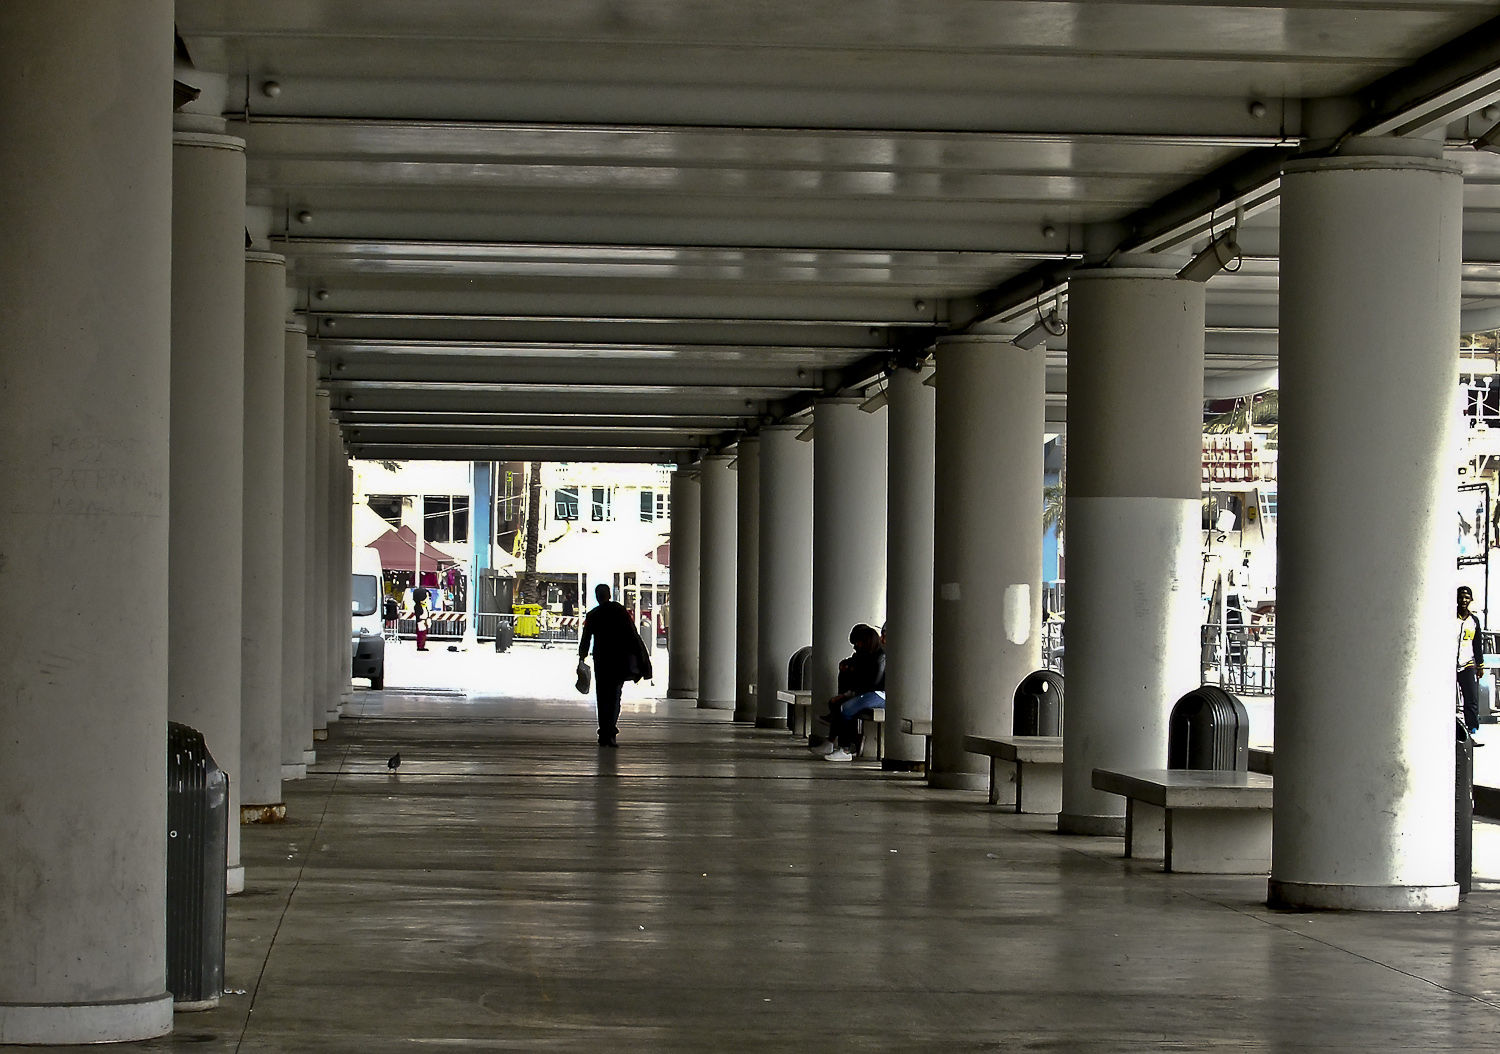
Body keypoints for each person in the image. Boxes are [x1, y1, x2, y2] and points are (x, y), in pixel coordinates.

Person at [578, 583, 653, 747]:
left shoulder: (594, 615)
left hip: (601, 660)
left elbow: (586, 639)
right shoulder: (619, 611)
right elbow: (632, 634)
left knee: (602, 696)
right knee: (614, 696)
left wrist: (582, 657)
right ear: (609, 595)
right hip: (618, 661)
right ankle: (610, 731)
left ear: (597, 596)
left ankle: (603, 731)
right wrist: (640, 659)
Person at [810, 623, 885, 762]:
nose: (856, 645)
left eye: (858, 642)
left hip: (879, 695)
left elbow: (872, 684)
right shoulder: (866, 656)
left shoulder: (880, 657)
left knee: (846, 708)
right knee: (841, 706)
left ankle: (845, 748)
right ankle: (847, 741)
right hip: (868, 693)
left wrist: (849, 694)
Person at [1458, 586, 1485, 737]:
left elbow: (1477, 644)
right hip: (1450, 664)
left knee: (1471, 699)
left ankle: (1472, 731)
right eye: (1461, 597)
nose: (1463, 600)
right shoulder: (1451, 618)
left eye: (1466, 597)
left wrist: (1480, 665)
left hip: (1467, 663)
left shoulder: (1473, 621)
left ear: (1471, 600)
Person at [412, 586, 430, 651]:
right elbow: (418, 615)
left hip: (424, 621)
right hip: (421, 622)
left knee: (424, 634)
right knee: (421, 635)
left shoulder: (424, 606)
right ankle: (420, 646)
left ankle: (422, 645)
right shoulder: (417, 606)